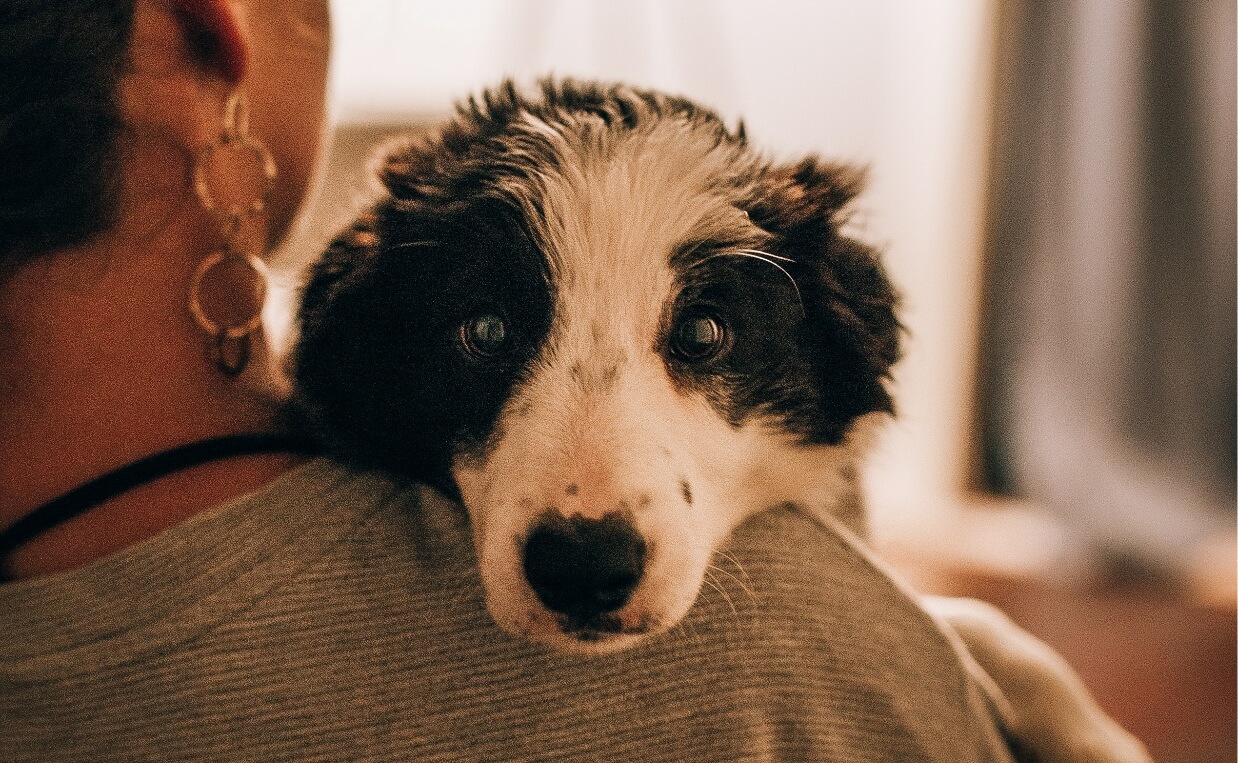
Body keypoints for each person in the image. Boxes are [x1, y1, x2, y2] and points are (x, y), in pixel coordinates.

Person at [0, 2, 1020, 760]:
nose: (588, 486)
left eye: (700, 335)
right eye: (489, 330)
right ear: (211, 28)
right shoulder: (793, 658)